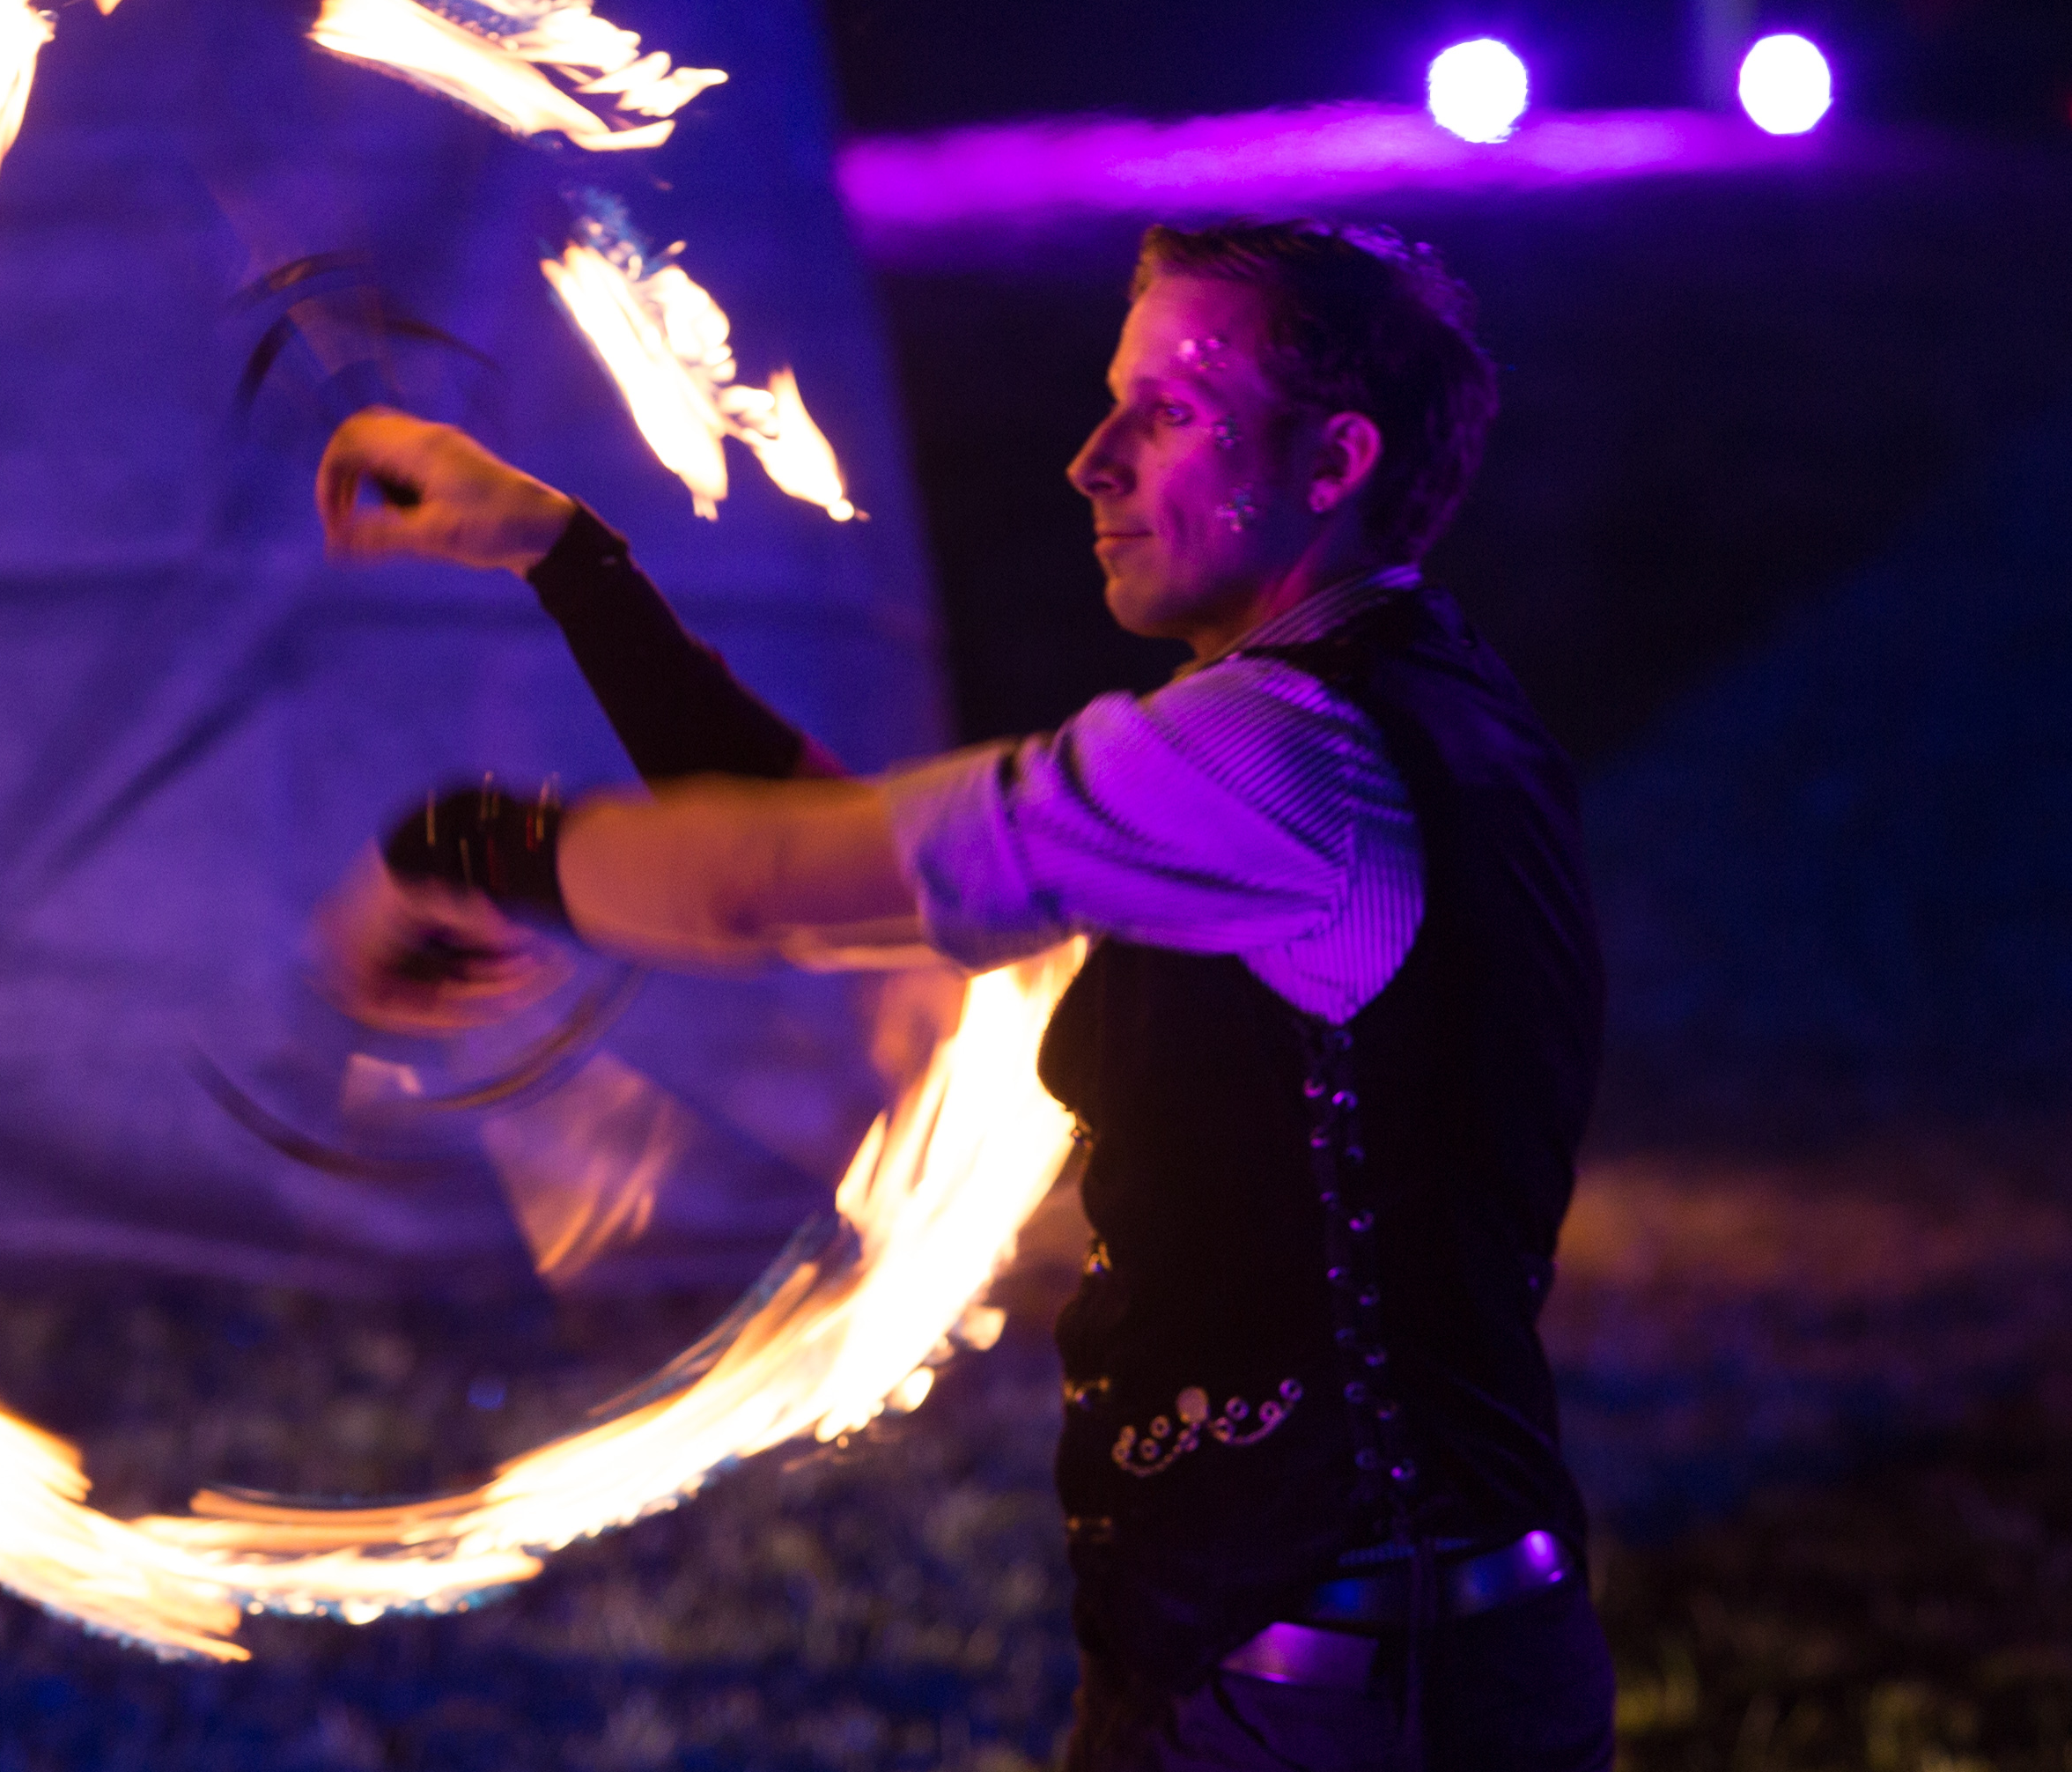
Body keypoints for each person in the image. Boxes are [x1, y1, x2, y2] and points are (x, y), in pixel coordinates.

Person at [309, 220, 1616, 1769]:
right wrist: (569, 560)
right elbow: (836, 854)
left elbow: (770, 883)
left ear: (1334, 462)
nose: (1091, 461)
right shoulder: (1409, 713)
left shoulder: (1285, 756)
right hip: (1345, 1656)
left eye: (1170, 412)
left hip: (1339, 1698)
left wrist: (473, 850)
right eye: (1114, 403)